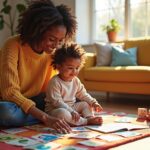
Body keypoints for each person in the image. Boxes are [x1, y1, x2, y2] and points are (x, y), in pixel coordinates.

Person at [0, 0, 77, 134]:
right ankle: (48, 117)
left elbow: (61, 83)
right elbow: (10, 92)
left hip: (40, 101)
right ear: (37, 31)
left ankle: (46, 116)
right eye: (51, 39)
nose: (55, 45)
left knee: (76, 98)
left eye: (60, 41)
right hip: (13, 102)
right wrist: (46, 118)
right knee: (5, 112)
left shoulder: (55, 53)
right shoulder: (12, 45)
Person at [45, 43, 103, 126]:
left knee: (85, 104)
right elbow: (57, 102)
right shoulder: (54, 82)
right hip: (55, 110)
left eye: (77, 68)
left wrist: (93, 102)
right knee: (62, 114)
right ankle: (85, 121)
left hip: (72, 107)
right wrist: (71, 111)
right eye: (70, 68)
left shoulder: (75, 80)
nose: (74, 71)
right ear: (58, 67)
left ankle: (89, 117)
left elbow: (83, 94)